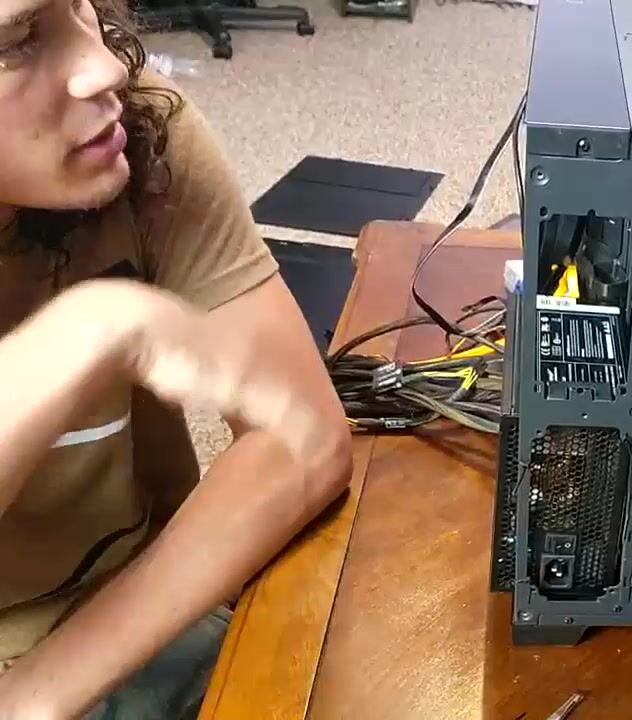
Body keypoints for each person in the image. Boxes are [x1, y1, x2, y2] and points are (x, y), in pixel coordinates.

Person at [0, 0, 353, 716]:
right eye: (17, 42)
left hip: (123, 619)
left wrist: (38, 694)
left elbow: (303, 438)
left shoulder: (135, 132)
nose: (102, 66)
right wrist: (81, 336)